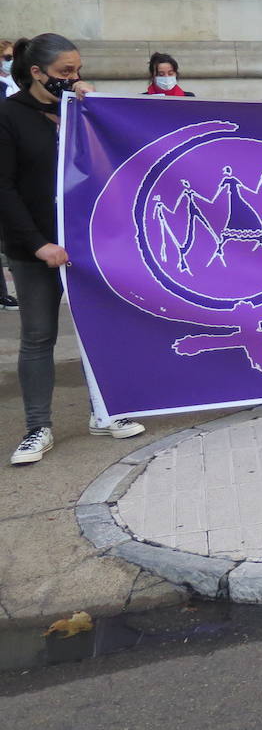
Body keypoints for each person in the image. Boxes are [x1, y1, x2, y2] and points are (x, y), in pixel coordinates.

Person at [1, 34, 146, 465]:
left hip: (86, 245)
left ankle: (104, 411)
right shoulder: (9, 116)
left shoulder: (80, 109)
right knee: (39, 335)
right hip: (38, 246)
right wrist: (37, 244)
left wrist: (95, 108)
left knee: (96, 329)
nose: (73, 77)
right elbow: (4, 189)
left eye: (77, 70)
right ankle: (37, 427)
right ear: (37, 73)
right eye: (65, 72)